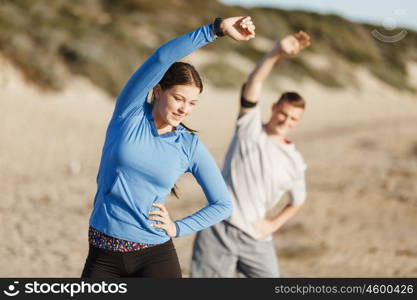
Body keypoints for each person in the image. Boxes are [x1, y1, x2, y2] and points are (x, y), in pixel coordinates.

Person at [81, 16, 256, 278]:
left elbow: (222, 205)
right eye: (178, 98)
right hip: (103, 253)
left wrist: (177, 228)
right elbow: (161, 59)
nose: (184, 109)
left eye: (192, 103)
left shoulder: (189, 145)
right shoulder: (129, 114)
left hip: (155, 256)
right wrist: (215, 30)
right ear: (159, 90)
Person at [191, 31, 311, 278]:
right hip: (218, 227)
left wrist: (271, 225)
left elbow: (297, 201)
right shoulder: (249, 128)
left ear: (298, 122)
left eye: (292, 119)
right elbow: (253, 84)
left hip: (256, 237)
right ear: (274, 107)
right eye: (283, 113)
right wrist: (276, 52)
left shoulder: (295, 161)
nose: (285, 120)